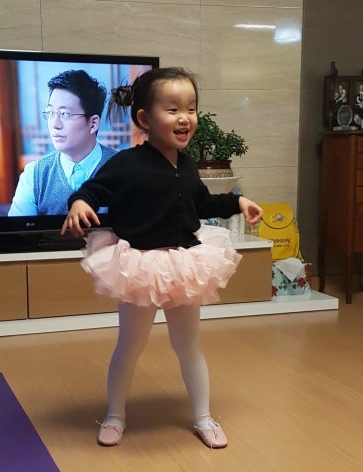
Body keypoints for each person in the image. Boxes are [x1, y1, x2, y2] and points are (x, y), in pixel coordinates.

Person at [61, 67, 263, 448]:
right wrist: (79, 203)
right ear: (144, 118)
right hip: (139, 266)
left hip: (183, 264)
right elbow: (91, 190)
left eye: (191, 108)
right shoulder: (125, 163)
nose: (185, 118)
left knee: (188, 346)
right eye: (172, 109)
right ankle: (115, 416)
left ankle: (203, 417)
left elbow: (202, 202)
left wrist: (238, 202)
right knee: (130, 344)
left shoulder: (186, 165)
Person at [8, 70, 117, 216]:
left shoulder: (122, 168)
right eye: (51, 113)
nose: (55, 124)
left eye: (64, 114)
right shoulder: (34, 175)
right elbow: (19, 229)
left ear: (93, 124)